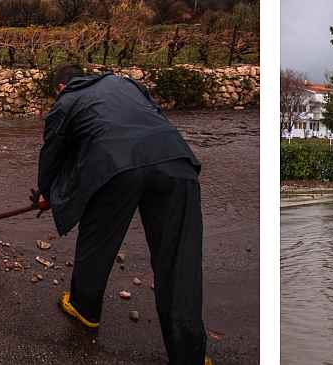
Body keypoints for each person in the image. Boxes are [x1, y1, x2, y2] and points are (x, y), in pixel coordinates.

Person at [35, 64, 209, 365]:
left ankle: (84, 308)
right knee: (180, 261)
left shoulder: (66, 101)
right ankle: (189, 356)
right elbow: (151, 116)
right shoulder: (126, 84)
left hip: (115, 167)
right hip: (176, 161)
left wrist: (45, 192)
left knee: (98, 238)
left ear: (61, 87)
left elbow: (53, 153)